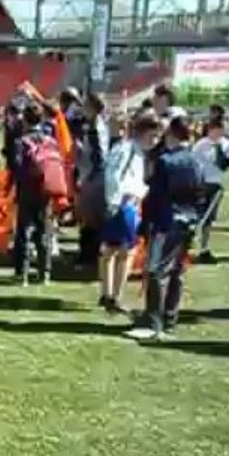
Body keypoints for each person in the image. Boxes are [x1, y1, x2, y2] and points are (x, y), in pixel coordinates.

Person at [127, 111, 204, 341]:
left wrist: (145, 223)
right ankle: (170, 317)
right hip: (188, 220)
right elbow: (201, 194)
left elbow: (156, 197)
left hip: (166, 221)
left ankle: (153, 321)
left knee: (156, 271)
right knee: (177, 272)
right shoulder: (196, 160)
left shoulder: (164, 161)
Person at [99, 111, 158, 314]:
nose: (154, 140)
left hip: (118, 203)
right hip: (125, 205)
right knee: (126, 252)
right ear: (143, 133)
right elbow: (115, 176)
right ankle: (116, 295)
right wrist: (118, 201)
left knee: (109, 250)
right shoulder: (130, 151)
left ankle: (107, 292)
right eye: (152, 136)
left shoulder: (122, 148)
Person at [10, 102, 56, 286]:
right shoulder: (50, 141)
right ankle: (45, 272)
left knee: (24, 231)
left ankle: (22, 271)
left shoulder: (21, 142)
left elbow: (17, 166)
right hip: (45, 189)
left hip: (27, 189)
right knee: (44, 231)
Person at [192, 114, 229, 263]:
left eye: (221, 129)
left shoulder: (227, 144)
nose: (219, 133)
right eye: (216, 129)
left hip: (216, 184)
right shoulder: (200, 145)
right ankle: (191, 245)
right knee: (198, 216)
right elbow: (194, 164)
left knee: (209, 218)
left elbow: (224, 164)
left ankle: (204, 248)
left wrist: (219, 148)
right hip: (201, 184)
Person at [76, 92, 109, 267]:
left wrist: (88, 177)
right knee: (92, 219)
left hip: (93, 179)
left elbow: (99, 156)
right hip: (96, 177)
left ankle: (88, 256)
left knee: (90, 220)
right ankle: (91, 255)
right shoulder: (98, 125)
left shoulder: (95, 128)